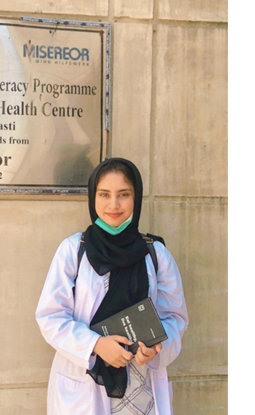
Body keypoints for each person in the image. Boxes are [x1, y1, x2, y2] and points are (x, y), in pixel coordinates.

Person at [35, 158, 189, 415]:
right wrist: (95, 345)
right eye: (104, 194)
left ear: (136, 198)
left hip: (143, 392)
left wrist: (154, 350)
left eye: (124, 195)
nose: (113, 205)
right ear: (93, 197)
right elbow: (50, 317)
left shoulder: (156, 254)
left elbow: (175, 319)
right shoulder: (74, 250)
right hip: (85, 388)